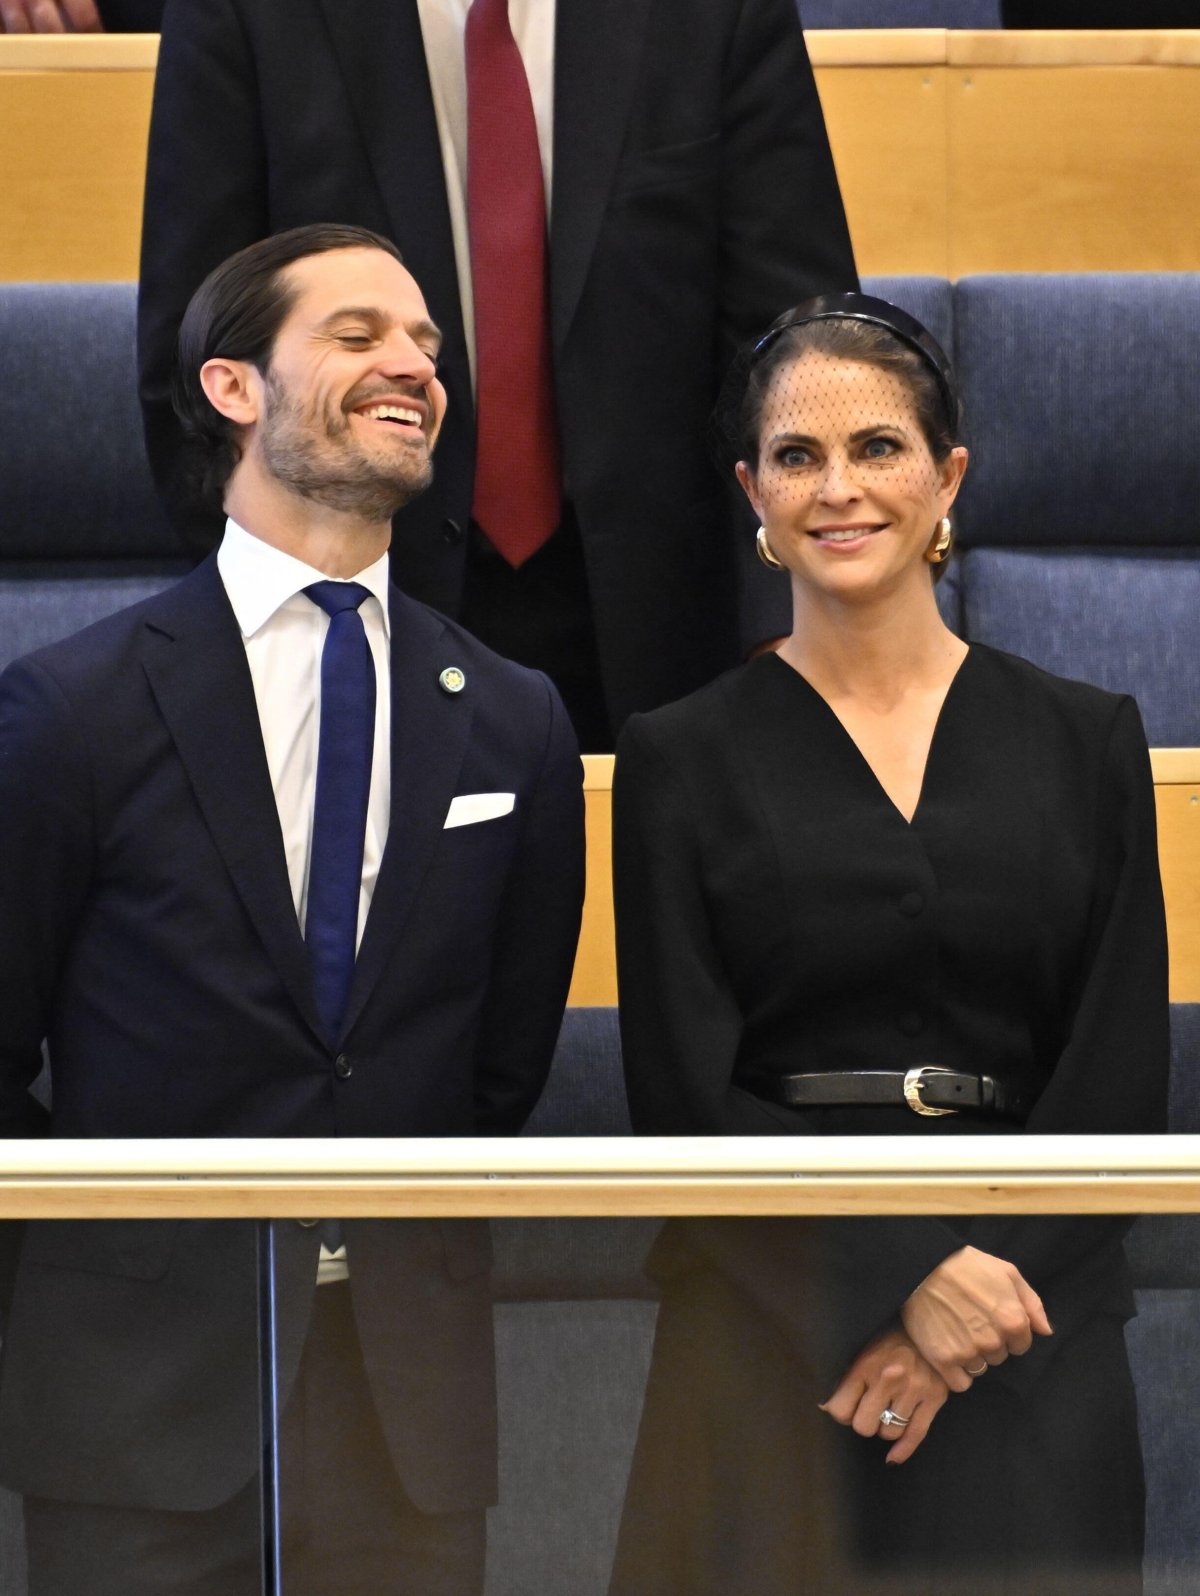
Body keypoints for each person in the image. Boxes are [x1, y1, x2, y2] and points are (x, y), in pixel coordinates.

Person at [0, 222, 584, 1596]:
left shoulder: (513, 719)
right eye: (361, 333)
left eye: (431, 346)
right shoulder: (68, 709)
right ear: (232, 388)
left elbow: (501, 1064)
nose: (416, 365)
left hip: (410, 1405)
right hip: (134, 1402)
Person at [608, 293, 1168, 1595]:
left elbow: (1119, 1067)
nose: (838, 488)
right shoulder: (675, 756)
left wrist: (971, 1305)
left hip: (1037, 1330)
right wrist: (907, 1278)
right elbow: (683, 1092)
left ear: (947, 476)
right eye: (796, 457)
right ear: (752, 494)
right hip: (767, 1336)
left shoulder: (1087, 739)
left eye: (878, 448)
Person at [136, 0, 858, 750]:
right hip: (345, 615)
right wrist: (280, 619)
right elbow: (194, 368)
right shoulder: (249, 15)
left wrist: (790, 627)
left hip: (670, 627)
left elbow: (801, 351)